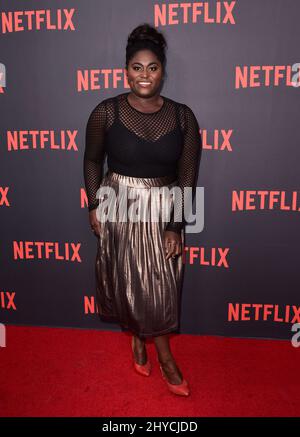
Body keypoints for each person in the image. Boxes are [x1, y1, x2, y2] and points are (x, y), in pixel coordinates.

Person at [83, 23, 202, 396]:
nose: (145, 75)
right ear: (126, 70)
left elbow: (187, 176)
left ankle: (152, 347)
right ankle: (158, 353)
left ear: (163, 71)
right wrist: (94, 204)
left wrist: (175, 225)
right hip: (119, 203)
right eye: (137, 67)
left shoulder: (184, 117)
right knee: (130, 283)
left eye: (152, 67)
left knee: (161, 289)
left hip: (164, 207)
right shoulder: (106, 112)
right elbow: (91, 161)